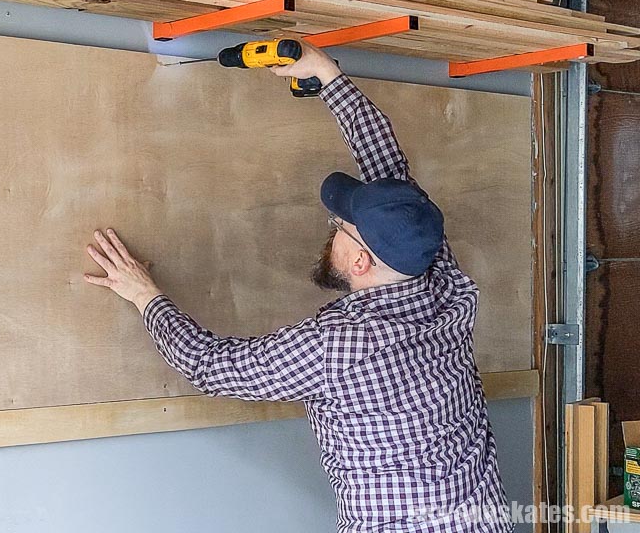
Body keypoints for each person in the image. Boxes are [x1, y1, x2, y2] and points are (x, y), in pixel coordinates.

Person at [83, 40, 514, 533]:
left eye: (340, 224)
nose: (332, 222)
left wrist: (143, 294)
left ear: (359, 261)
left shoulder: (341, 345)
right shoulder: (441, 282)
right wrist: (329, 76)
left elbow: (211, 366)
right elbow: (391, 176)